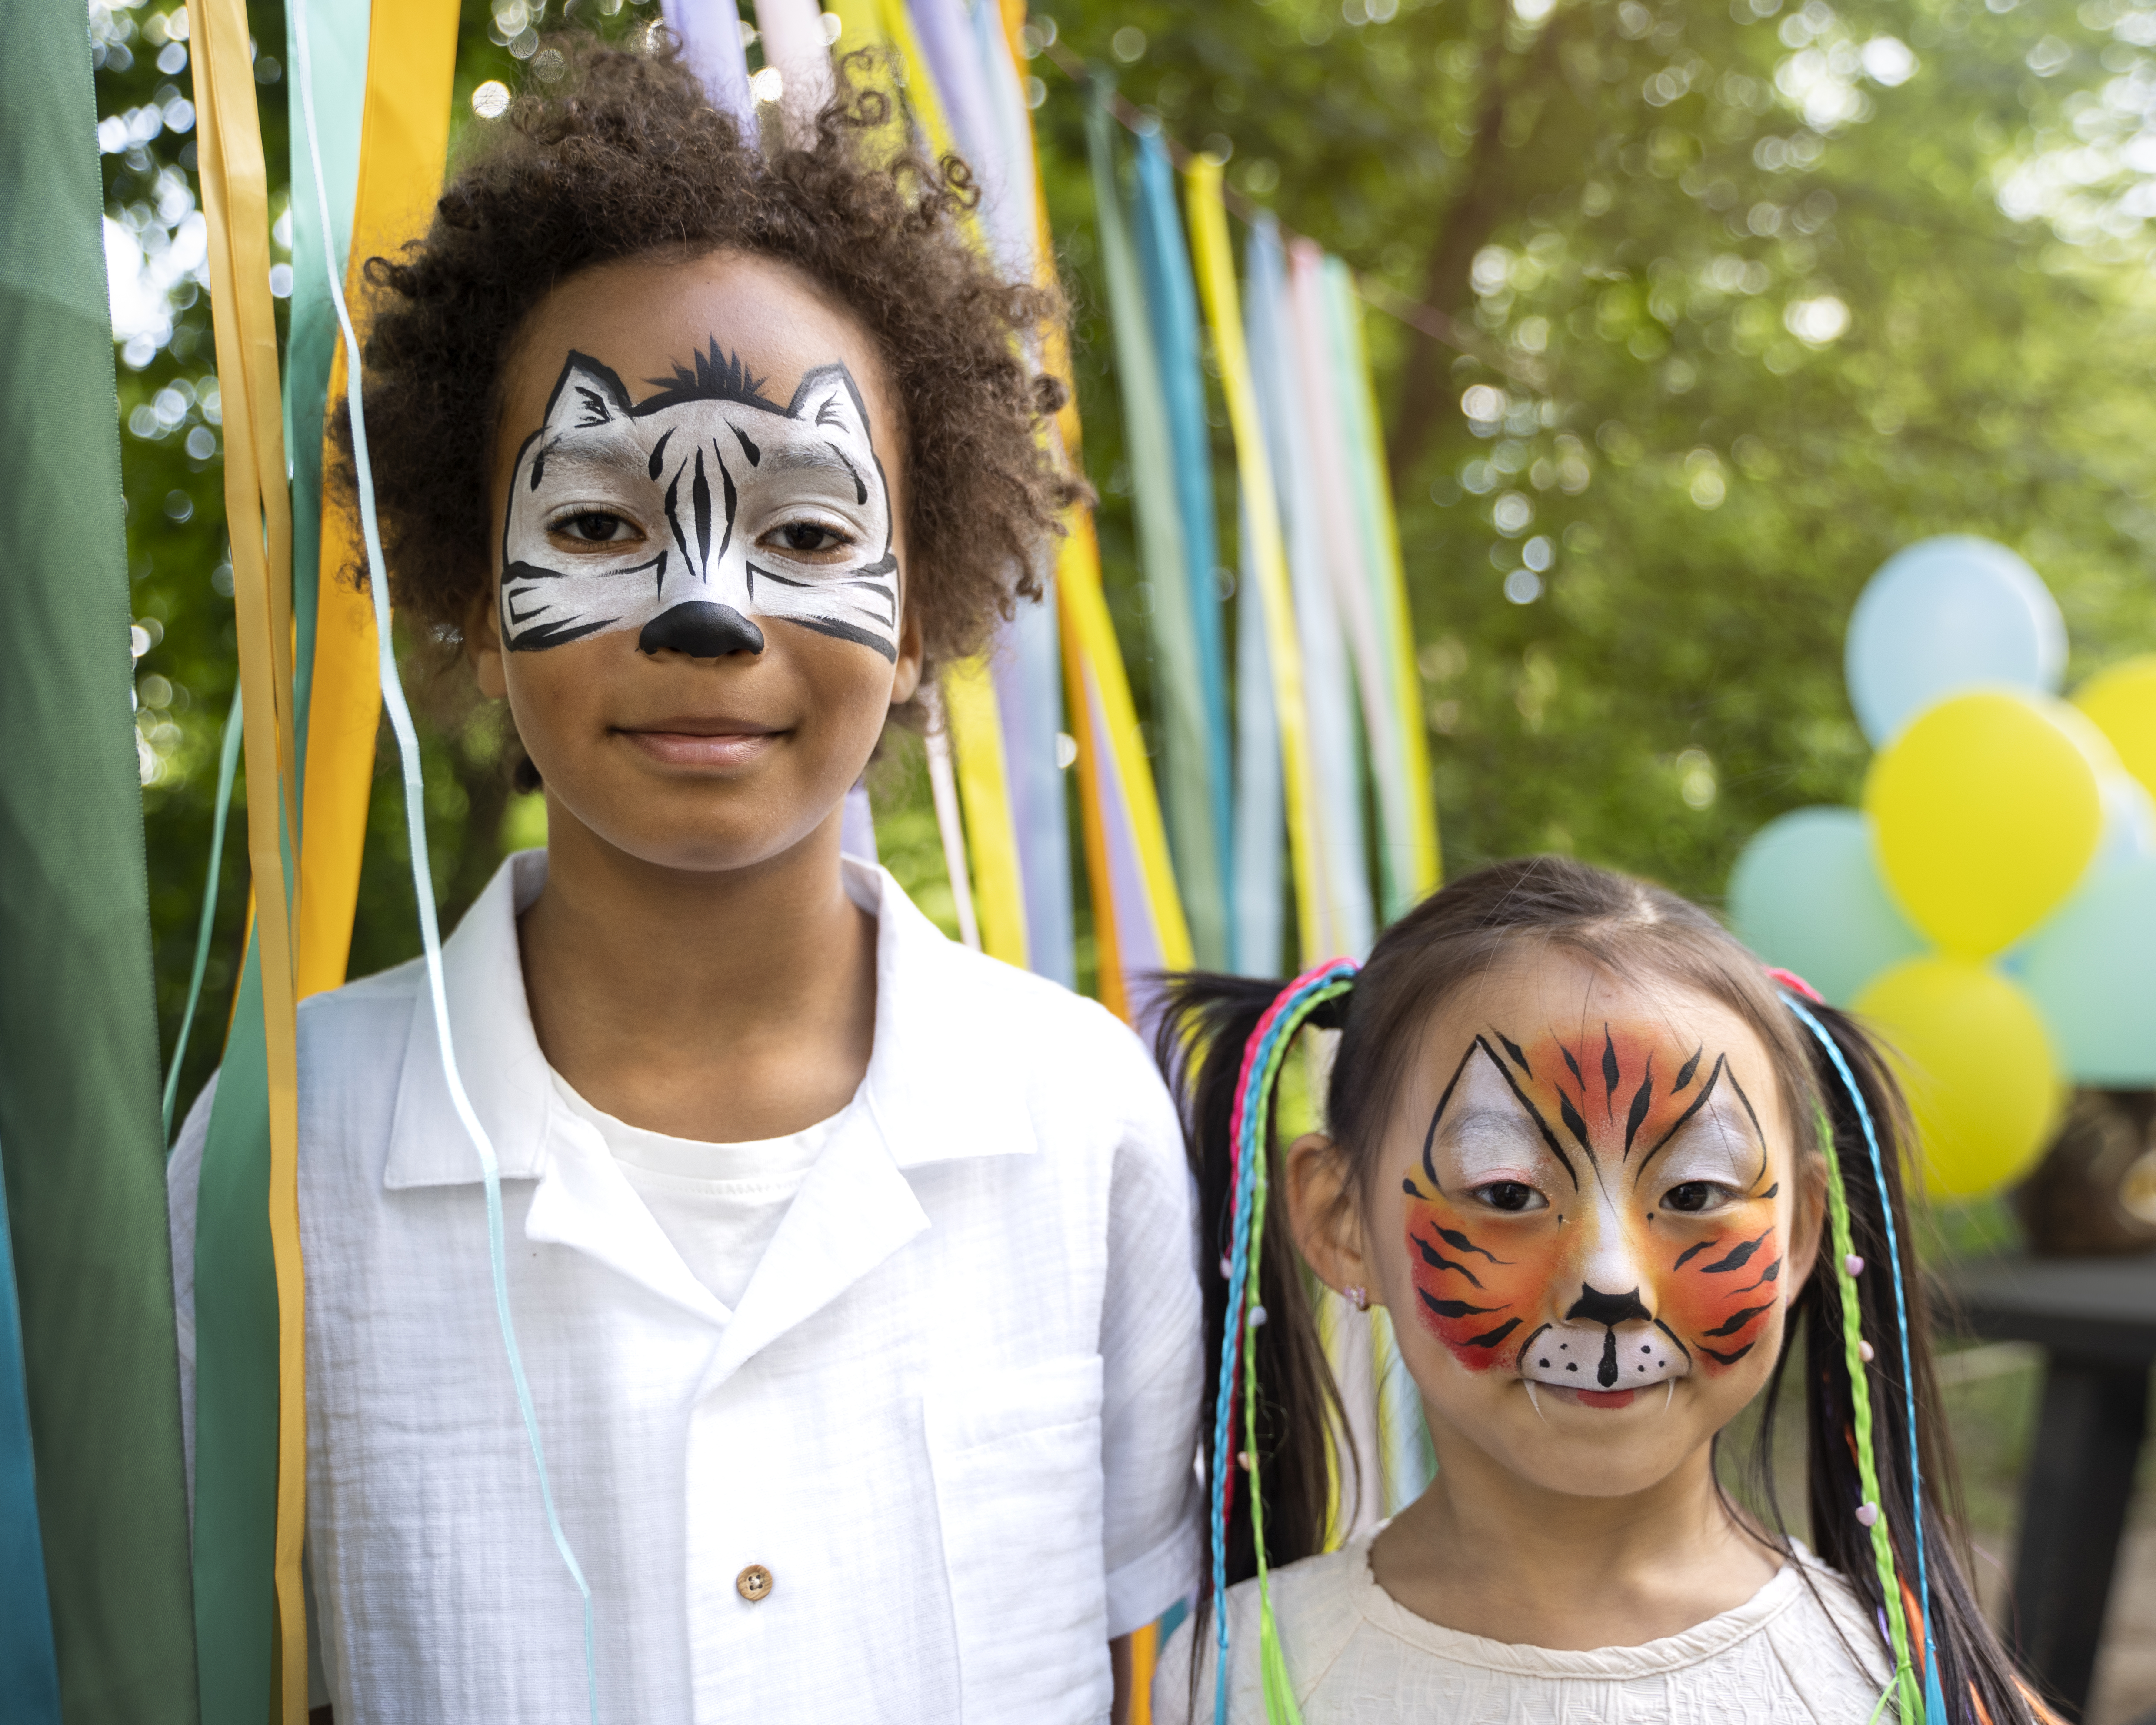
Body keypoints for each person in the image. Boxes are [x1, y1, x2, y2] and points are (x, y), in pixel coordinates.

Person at [167, 37, 1200, 1725]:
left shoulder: (1079, 1114)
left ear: (921, 604)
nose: (705, 611)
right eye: (590, 527)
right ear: (478, 605)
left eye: (805, 533)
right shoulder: (289, 1145)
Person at [1151, 855, 2057, 1725]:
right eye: (1505, 1193)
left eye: (1694, 1193)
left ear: (1798, 1233)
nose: (1611, 1278)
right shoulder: (1238, 1675)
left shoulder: (1907, 1680)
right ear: (1341, 1219)